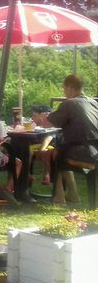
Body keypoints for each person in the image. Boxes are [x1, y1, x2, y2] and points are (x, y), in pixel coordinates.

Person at [43, 74, 98, 205]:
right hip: (95, 151)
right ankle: (73, 195)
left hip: (83, 152)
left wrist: (43, 117)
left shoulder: (69, 103)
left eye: (64, 89)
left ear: (70, 88)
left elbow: (47, 123)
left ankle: (59, 197)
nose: (64, 92)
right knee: (61, 152)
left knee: (52, 153)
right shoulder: (94, 103)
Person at [30, 104, 54, 185]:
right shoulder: (34, 125)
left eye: (34, 115)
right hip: (34, 146)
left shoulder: (50, 126)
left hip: (48, 146)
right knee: (28, 151)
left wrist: (41, 150)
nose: (32, 118)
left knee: (46, 152)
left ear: (42, 116)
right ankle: (27, 173)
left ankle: (47, 174)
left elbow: (48, 139)